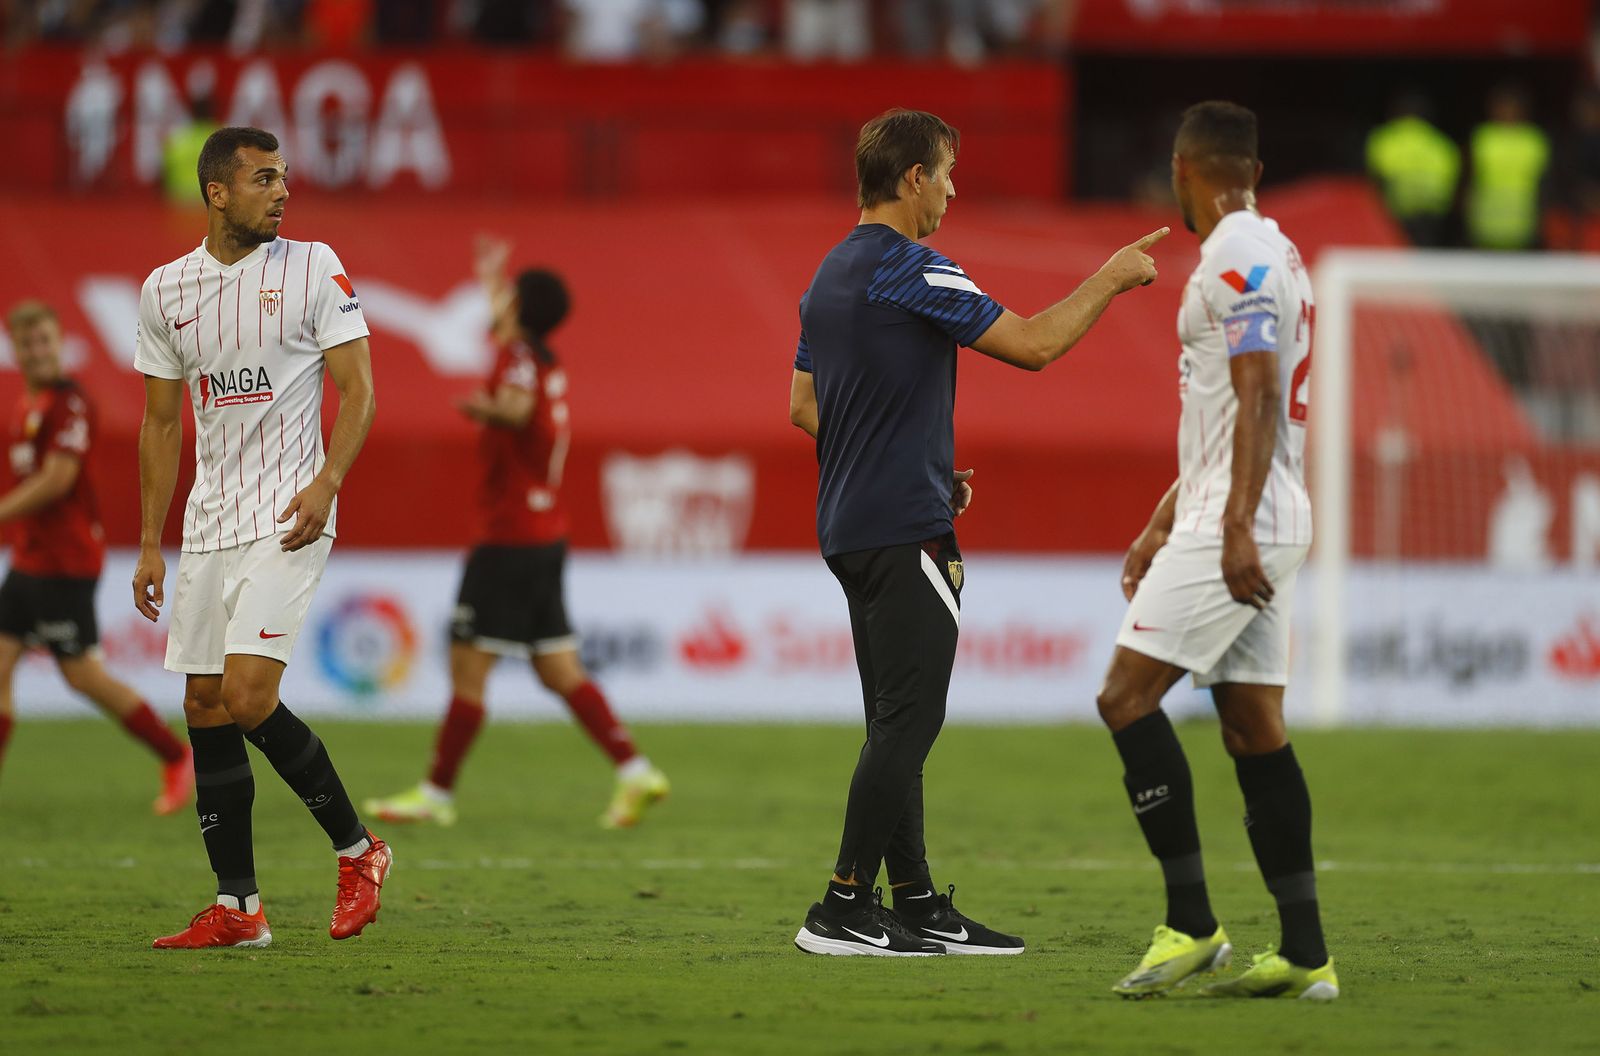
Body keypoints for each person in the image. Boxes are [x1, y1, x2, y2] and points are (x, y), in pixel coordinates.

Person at [787, 107, 1165, 956]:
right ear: (913, 178)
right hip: (902, 530)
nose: (953, 191)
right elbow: (1033, 345)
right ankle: (842, 904)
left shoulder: (828, 277)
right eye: (948, 174)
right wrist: (1109, 277)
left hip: (849, 526)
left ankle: (915, 901)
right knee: (909, 725)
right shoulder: (912, 267)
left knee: (894, 720)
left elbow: (803, 406)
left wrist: (910, 459)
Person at [1098, 101, 1337, 1001]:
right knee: (1251, 727)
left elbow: (1257, 385)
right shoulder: (1275, 251)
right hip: (1238, 507)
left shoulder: (1234, 256)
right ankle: (1307, 954)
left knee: (1124, 697)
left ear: (1181, 170)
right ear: (1253, 170)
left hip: (1244, 519)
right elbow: (1232, 409)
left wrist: (1230, 521)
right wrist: (1168, 515)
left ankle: (1192, 925)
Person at [133, 126, 390, 950]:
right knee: (203, 705)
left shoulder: (314, 266)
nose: (281, 192)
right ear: (217, 191)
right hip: (209, 524)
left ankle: (361, 850)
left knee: (246, 696)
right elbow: (161, 423)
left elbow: (360, 394)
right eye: (263, 179)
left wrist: (327, 482)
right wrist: (149, 541)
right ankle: (238, 908)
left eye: (284, 178)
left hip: (291, 510)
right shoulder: (166, 290)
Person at [364, 237, 669, 831]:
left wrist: (488, 409)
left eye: (505, 301)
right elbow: (518, 347)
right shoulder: (540, 355)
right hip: (546, 533)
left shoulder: (519, 361)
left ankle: (435, 792)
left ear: (518, 313)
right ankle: (636, 772)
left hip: (508, 538)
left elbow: (516, 404)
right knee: (558, 669)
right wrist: (493, 280)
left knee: (468, 667)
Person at [0, 301, 192, 812]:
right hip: (28, 560)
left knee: (83, 675)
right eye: (27, 343)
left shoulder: (72, 404)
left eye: (44, 341)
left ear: (60, 343)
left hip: (65, 563)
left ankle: (177, 755)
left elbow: (58, 481)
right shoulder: (27, 404)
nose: (36, 351)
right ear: (15, 349)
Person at [1365, 92, 1460, 248]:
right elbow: (1452, 185)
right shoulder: (1442, 144)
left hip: (1394, 215)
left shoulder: (1384, 140)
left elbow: (1374, 181)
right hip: (1432, 218)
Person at [1467, 84, 1550, 251]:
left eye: (1511, 106)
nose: (1507, 111)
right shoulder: (1483, 137)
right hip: (1486, 223)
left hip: (1524, 223)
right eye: (1502, 106)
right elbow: (1471, 179)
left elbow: (1546, 183)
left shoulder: (1534, 140)